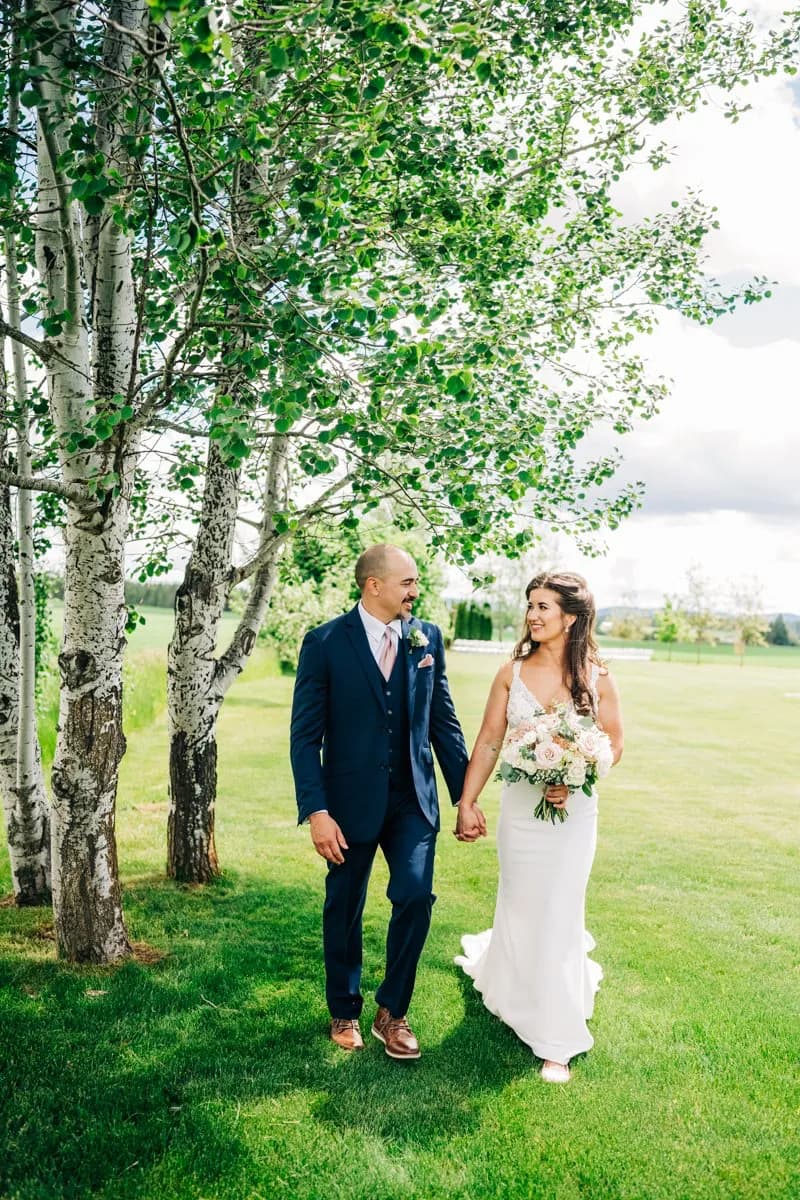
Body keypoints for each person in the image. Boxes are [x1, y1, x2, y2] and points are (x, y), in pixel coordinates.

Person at [290, 544, 468, 1059]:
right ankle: (344, 1008)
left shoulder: (426, 636)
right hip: (347, 804)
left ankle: (393, 1012)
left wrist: (465, 796)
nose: (416, 591)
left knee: (414, 897)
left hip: (414, 799)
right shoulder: (325, 643)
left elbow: (443, 721)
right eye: (408, 582)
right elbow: (306, 737)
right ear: (374, 585)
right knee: (344, 906)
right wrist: (317, 812)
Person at [454, 571, 623, 1083]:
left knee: (560, 906)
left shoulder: (598, 674)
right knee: (522, 901)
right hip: (521, 813)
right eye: (531, 604)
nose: (533, 614)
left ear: (570, 617)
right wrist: (467, 802)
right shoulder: (511, 672)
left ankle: (557, 1036)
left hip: (574, 815)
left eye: (545, 606)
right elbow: (487, 741)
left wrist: (578, 774)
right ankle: (512, 986)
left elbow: (614, 742)